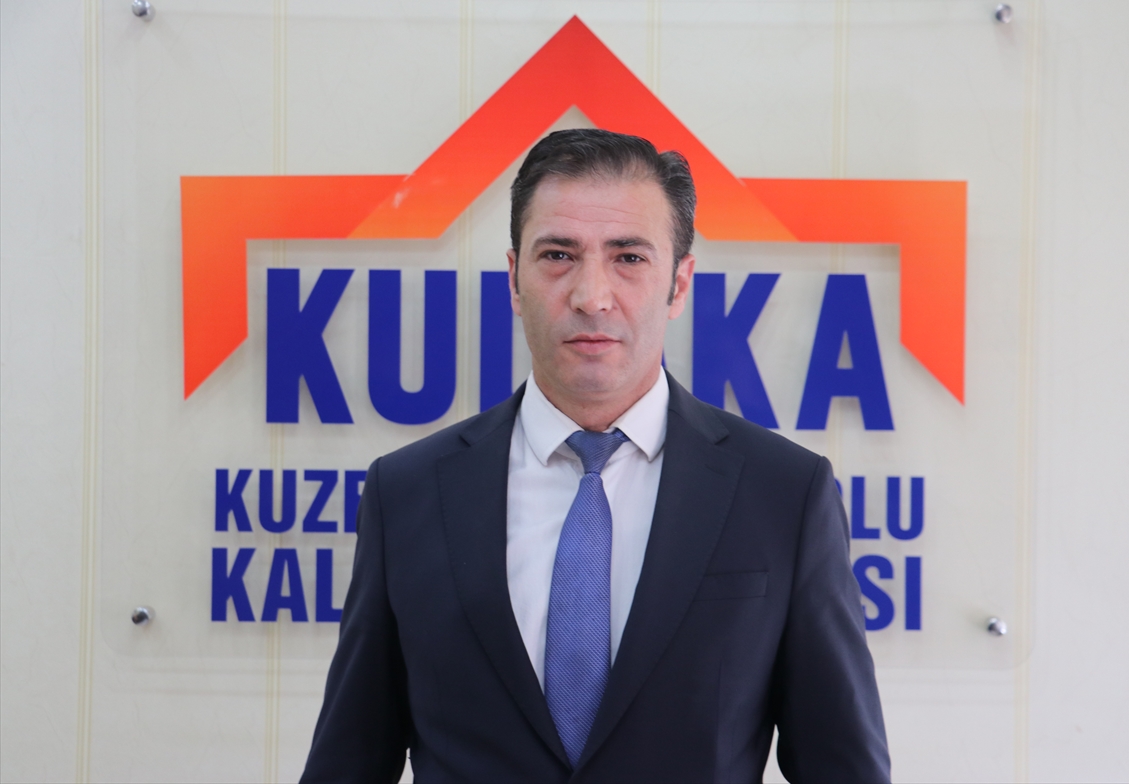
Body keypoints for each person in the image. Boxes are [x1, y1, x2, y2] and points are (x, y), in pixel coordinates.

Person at [301, 129, 890, 783]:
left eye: (628, 257)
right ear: (514, 279)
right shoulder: (406, 492)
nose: (591, 295)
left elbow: (844, 769)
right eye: (558, 255)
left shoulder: (785, 494)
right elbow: (348, 762)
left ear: (679, 284)